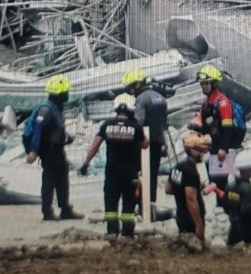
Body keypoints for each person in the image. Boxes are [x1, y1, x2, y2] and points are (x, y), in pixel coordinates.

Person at [78, 93, 148, 240]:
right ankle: (127, 233)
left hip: (112, 173)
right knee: (129, 204)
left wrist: (85, 163)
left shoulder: (106, 125)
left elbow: (95, 145)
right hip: (130, 174)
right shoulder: (136, 127)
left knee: (111, 202)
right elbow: (145, 144)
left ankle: (112, 231)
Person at [25, 74, 85, 221]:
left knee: (62, 180)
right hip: (50, 151)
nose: (67, 95)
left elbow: (56, 128)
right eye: (65, 92)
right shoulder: (47, 110)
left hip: (57, 150)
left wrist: (67, 137)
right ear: (59, 93)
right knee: (50, 180)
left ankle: (64, 209)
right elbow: (38, 130)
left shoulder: (56, 108)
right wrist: (33, 151)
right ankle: (48, 212)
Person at [187, 64, 240, 204]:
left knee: (221, 182)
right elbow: (206, 128)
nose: (203, 86)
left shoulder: (222, 102)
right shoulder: (206, 104)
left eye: (206, 83)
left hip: (223, 148)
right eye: (202, 83)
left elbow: (227, 128)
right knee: (214, 180)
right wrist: (195, 129)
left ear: (214, 83)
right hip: (214, 147)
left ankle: (228, 207)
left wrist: (224, 148)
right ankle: (221, 206)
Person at [123, 68, 168, 210]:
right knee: (153, 174)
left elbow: (139, 122)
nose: (131, 93)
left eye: (130, 89)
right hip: (158, 140)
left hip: (144, 143)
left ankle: (141, 204)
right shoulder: (159, 97)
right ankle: (151, 203)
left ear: (136, 85)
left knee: (139, 174)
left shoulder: (141, 99)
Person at [165, 132, 211, 249]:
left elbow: (168, 189)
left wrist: (183, 188)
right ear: (194, 151)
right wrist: (198, 224)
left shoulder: (177, 166)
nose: (204, 154)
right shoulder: (191, 171)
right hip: (191, 220)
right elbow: (191, 199)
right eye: (202, 151)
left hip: (181, 216)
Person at [218, 150, 251, 246]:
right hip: (248, 231)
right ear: (247, 171)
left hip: (233, 229)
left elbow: (226, 207)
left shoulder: (229, 186)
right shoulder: (249, 190)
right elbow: (248, 213)